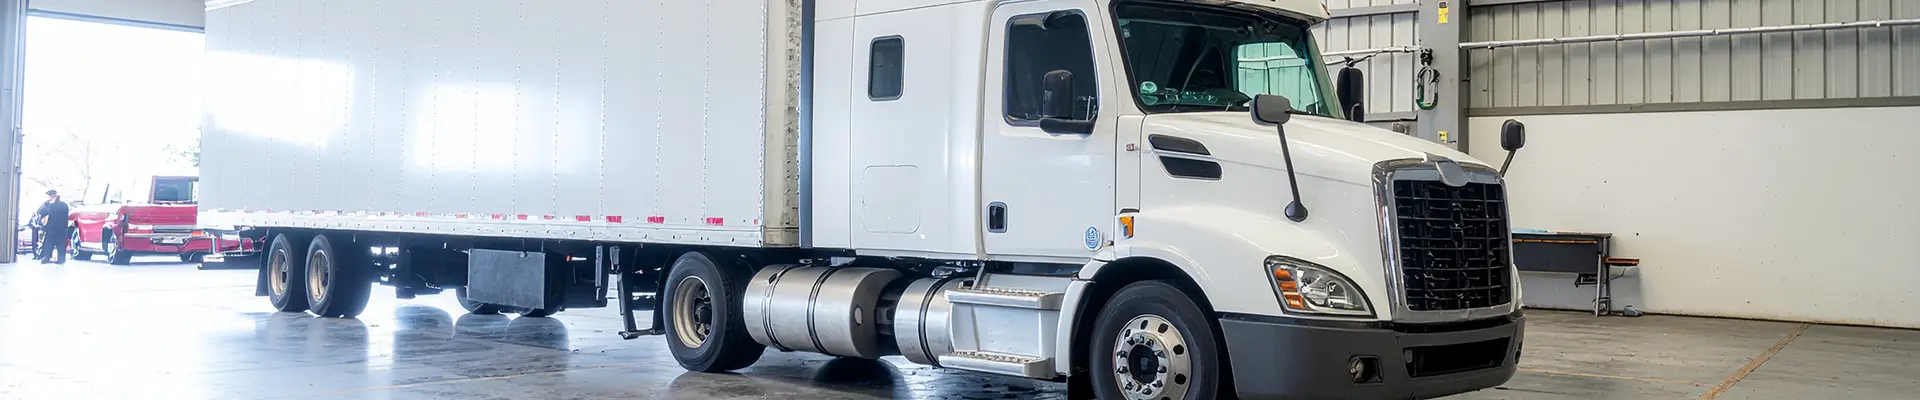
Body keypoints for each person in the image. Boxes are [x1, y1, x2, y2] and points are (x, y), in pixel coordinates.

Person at [34, 190, 69, 264]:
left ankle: (47, 257)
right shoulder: (64, 205)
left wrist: (46, 203)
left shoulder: (50, 206)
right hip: (62, 229)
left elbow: (41, 212)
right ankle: (61, 259)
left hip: (52, 229)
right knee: (61, 245)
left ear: (53, 197)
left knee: (49, 244)